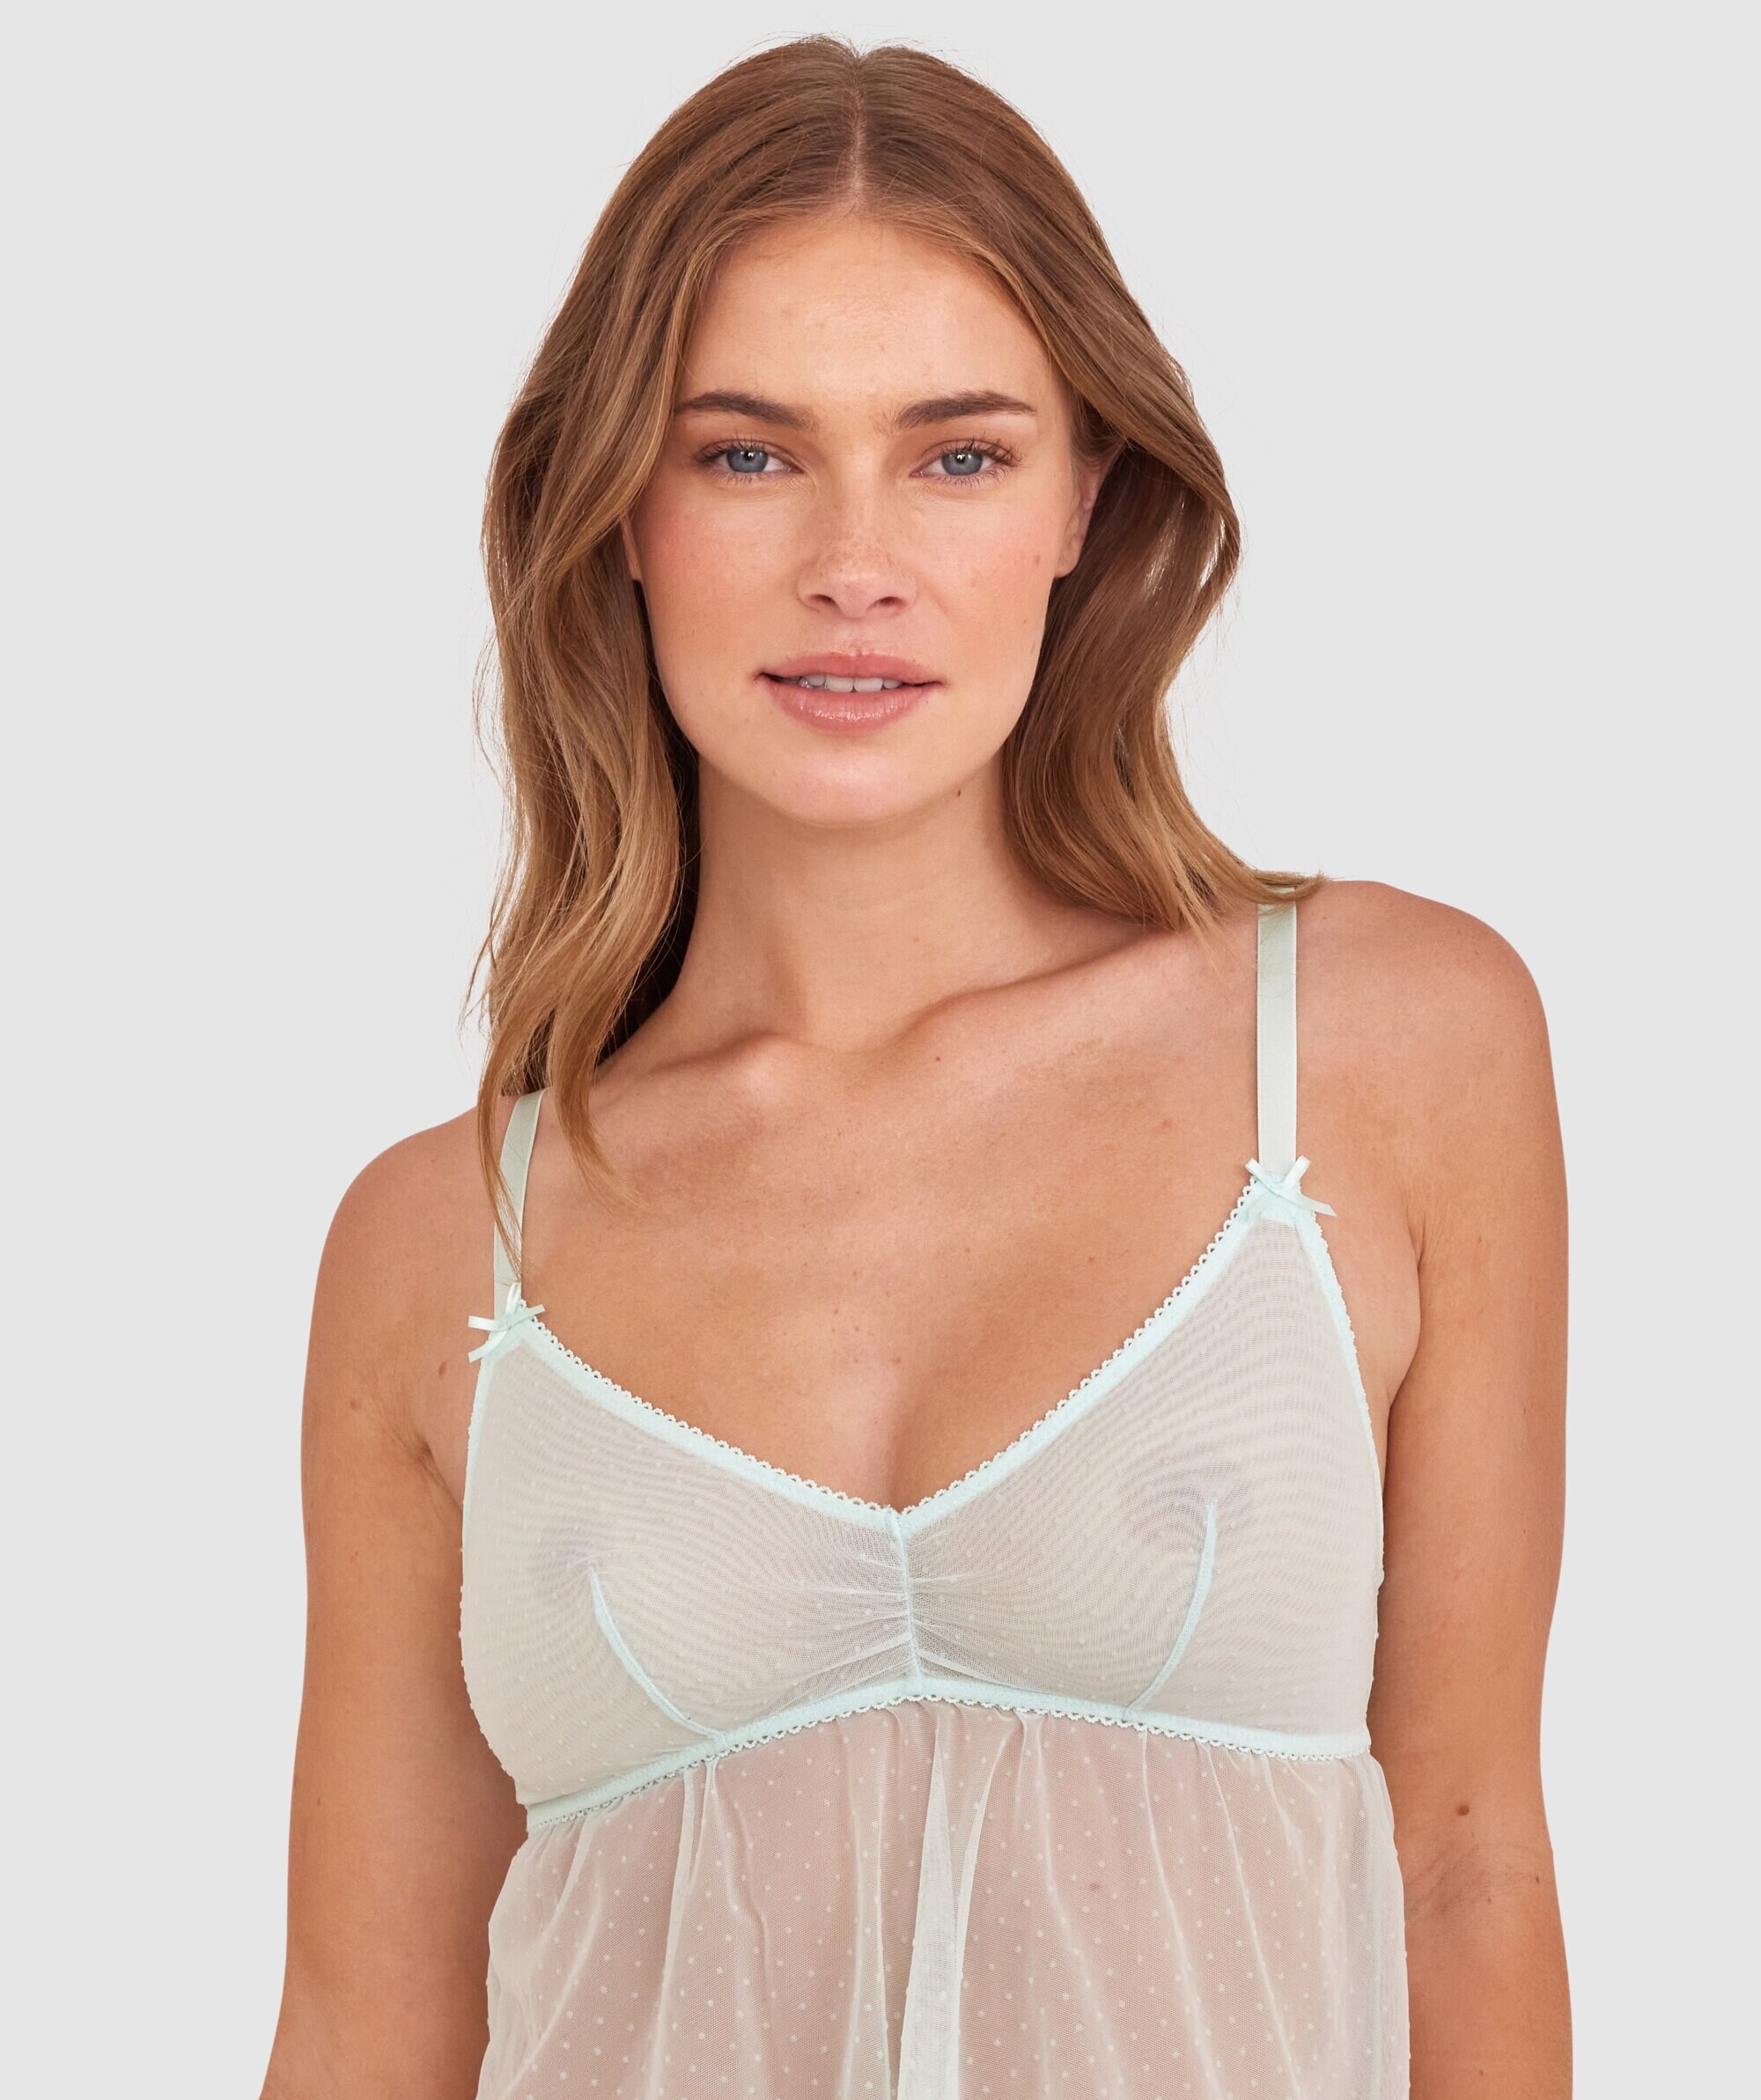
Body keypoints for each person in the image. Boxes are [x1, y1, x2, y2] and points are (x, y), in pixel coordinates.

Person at [260, 34, 1570, 2100]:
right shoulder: (444, 1244)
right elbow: (363, 2030)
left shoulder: (1380, 1047)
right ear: (620, 513)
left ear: (1083, 501)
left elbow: (1466, 1865)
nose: (853, 561)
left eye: (957, 456)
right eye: (746, 455)